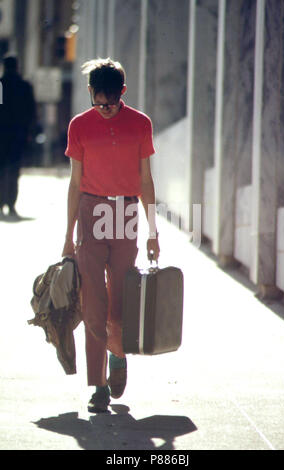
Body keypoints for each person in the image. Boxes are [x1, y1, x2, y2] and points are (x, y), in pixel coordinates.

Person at [62, 57, 160, 413]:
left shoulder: (140, 124)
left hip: (125, 213)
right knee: (93, 303)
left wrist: (153, 230)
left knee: (118, 299)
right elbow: (74, 184)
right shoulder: (79, 126)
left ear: (123, 92)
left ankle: (117, 354)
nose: (104, 109)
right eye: (98, 102)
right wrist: (68, 235)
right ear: (90, 93)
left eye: (111, 102)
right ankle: (98, 385)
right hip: (90, 211)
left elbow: (146, 180)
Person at [0, 55, 36, 217]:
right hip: (18, 134)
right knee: (14, 171)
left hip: (2, 134)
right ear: (17, 67)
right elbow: (31, 112)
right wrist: (29, 132)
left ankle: (0, 204)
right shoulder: (24, 86)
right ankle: (11, 204)